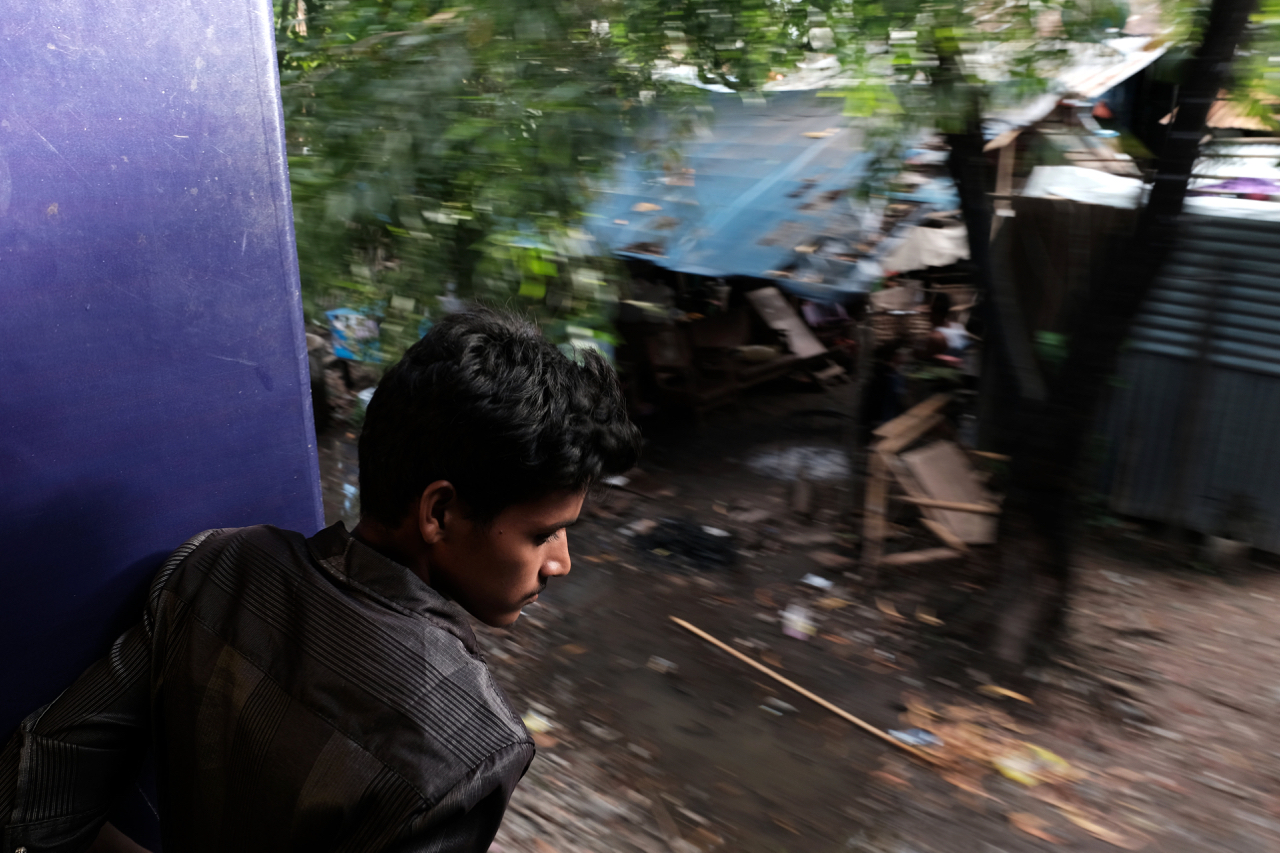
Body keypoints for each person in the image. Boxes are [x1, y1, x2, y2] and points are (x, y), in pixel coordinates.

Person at [1, 308, 642, 853]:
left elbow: (42, 783)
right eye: (543, 533)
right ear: (440, 513)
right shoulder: (470, 751)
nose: (560, 562)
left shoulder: (216, 565)